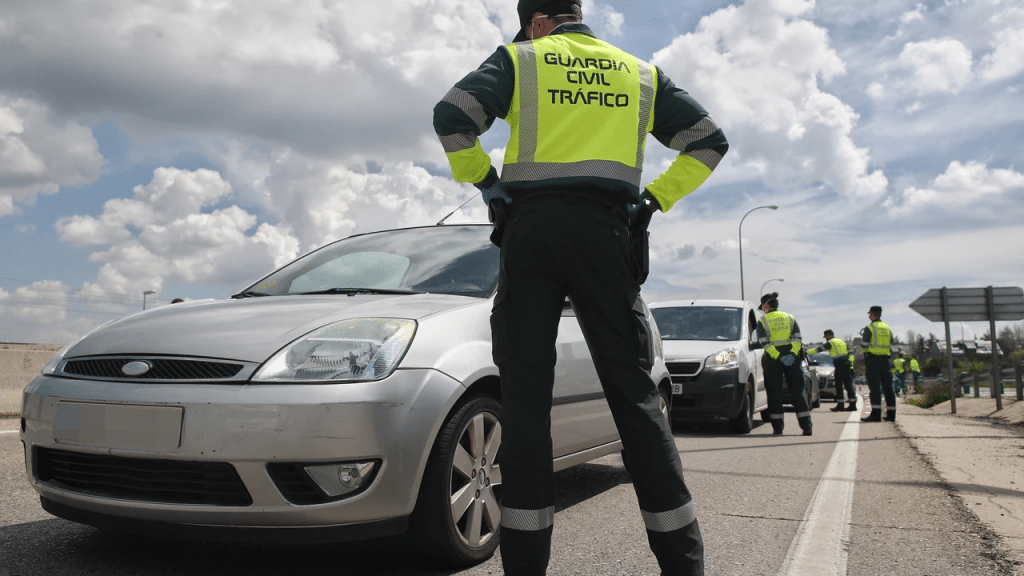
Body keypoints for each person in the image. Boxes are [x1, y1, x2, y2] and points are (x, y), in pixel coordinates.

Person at [433, 1, 728, 573]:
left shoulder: (522, 59)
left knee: (524, 406)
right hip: (608, 233)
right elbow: (709, 142)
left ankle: (524, 566)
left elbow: (452, 115)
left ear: (539, 20)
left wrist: (487, 184)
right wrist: (654, 199)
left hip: (532, 233)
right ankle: (684, 564)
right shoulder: (640, 73)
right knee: (637, 399)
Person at [756, 293, 812, 436]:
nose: (762, 309)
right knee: (798, 392)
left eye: (762, 307)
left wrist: (778, 356)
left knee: (774, 393)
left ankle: (778, 428)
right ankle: (807, 427)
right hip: (792, 359)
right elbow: (798, 339)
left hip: (773, 360)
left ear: (766, 305)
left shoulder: (763, 321)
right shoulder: (790, 317)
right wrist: (792, 354)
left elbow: (764, 343)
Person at [806, 329, 856, 411]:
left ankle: (840, 406)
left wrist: (806, 352)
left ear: (829, 335)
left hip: (839, 365)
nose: (825, 338)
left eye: (825, 336)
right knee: (849, 386)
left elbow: (817, 350)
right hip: (847, 364)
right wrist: (851, 366)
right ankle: (853, 405)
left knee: (839, 386)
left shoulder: (830, 343)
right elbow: (851, 354)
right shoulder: (843, 342)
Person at [860, 305, 895, 422]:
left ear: (872, 315)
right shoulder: (887, 327)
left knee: (874, 389)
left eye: (870, 314)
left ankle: (876, 415)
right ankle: (891, 415)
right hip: (885, 361)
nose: (869, 316)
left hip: (873, 361)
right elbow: (891, 341)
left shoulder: (870, 328)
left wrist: (865, 351)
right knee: (888, 388)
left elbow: (864, 345)